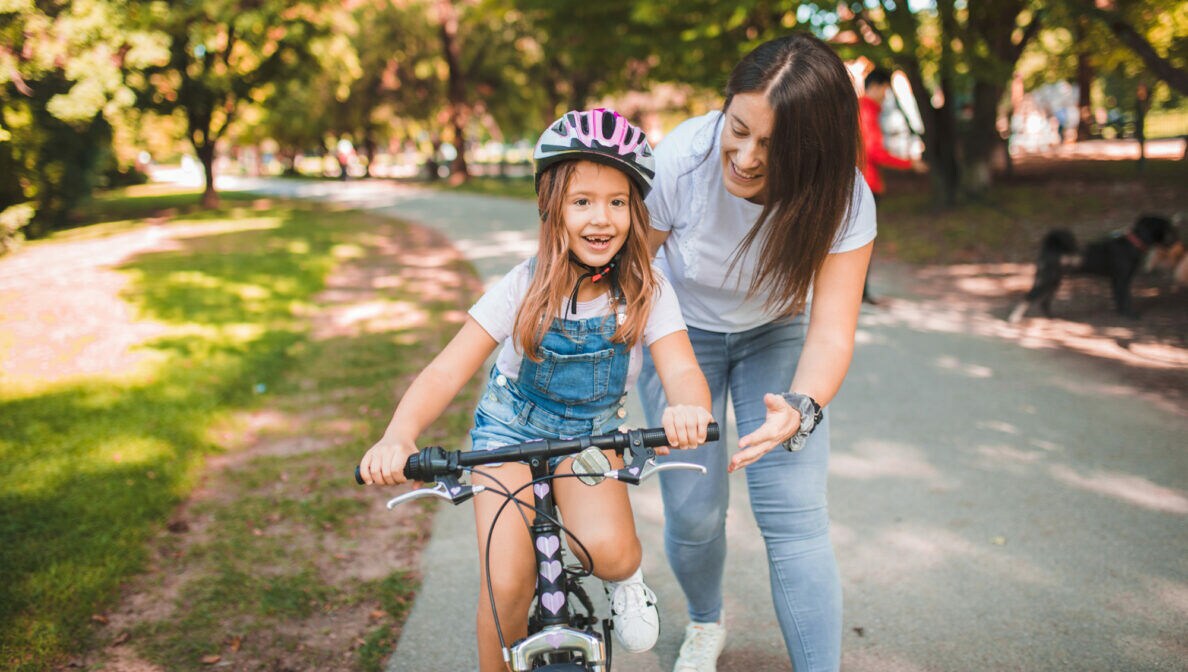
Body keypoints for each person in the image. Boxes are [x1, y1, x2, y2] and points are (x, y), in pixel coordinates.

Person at [359, 108, 714, 672]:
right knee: (506, 585)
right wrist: (399, 435)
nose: (602, 218)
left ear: (635, 211)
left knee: (609, 552)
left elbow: (683, 369)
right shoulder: (522, 286)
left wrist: (689, 407)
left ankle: (627, 580)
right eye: (582, 201)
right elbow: (446, 371)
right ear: (552, 210)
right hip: (508, 432)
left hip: (591, 437)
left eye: (617, 202)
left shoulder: (648, 289)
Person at [637, 33, 876, 672]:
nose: (743, 157)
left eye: (771, 145)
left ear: (813, 151)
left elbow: (832, 331)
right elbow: (632, 275)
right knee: (694, 511)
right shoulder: (683, 159)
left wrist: (801, 405)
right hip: (678, 332)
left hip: (775, 333)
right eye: (737, 129)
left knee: (795, 514)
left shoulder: (845, 198)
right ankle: (705, 621)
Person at [859, 67, 917, 304]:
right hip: (866, 185)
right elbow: (874, 152)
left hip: (862, 183)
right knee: (863, 241)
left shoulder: (859, 110)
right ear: (875, 87)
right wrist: (908, 164)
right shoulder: (866, 112)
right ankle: (861, 293)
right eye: (885, 89)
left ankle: (861, 292)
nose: (886, 95)